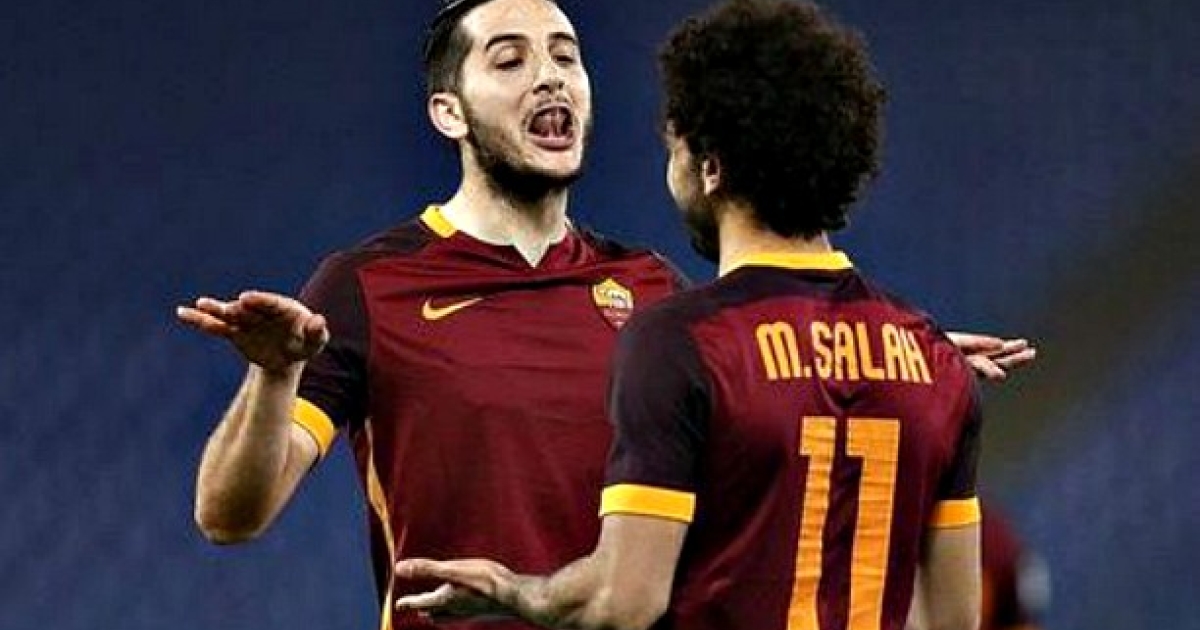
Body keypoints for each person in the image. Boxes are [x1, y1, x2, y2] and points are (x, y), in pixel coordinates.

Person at [176, 0, 1032, 628]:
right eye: (509, 60)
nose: (549, 75)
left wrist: (877, 358)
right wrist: (274, 375)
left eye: (566, 55)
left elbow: (754, 405)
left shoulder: (656, 293)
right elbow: (229, 514)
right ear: (449, 112)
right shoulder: (367, 287)